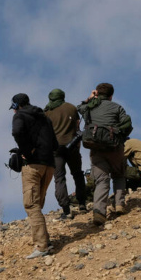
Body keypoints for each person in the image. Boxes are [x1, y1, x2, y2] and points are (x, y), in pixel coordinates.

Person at [11, 93, 58, 259]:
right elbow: (55, 143)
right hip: (49, 164)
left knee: (31, 204)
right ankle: (47, 241)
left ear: (16, 106)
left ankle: (42, 246)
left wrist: (26, 151)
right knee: (38, 202)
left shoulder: (20, 116)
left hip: (33, 165)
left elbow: (17, 132)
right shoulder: (44, 117)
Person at [78, 83, 132, 226]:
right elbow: (127, 124)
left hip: (96, 149)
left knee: (101, 181)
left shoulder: (90, 106)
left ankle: (99, 213)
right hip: (115, 147)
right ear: (111, 96)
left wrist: (89, 98)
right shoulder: (117, 107)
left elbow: (80, 108)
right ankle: (119, 205)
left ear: (97, 93)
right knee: (119, 174)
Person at [44, 88, 88, 219]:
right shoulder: (71, 108)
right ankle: (82, 204)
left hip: (56, 150)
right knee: (78, 174)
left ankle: (66, 209)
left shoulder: (46, 112)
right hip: (73, 146)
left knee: (59, 178)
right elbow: (77, 125)